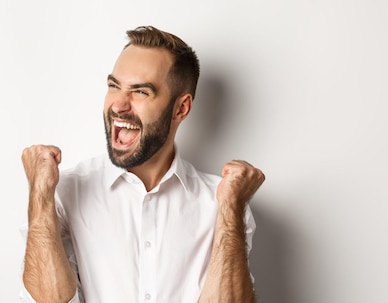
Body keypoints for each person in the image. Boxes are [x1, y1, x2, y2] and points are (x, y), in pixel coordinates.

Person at [19, 25, 264, 303]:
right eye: (114, 86)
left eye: (141, 92)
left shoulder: (222, 201)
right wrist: (40, 193)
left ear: (181, 108)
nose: (118, 105)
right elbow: (48, 301)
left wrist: (231, 207)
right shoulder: (64, 191)